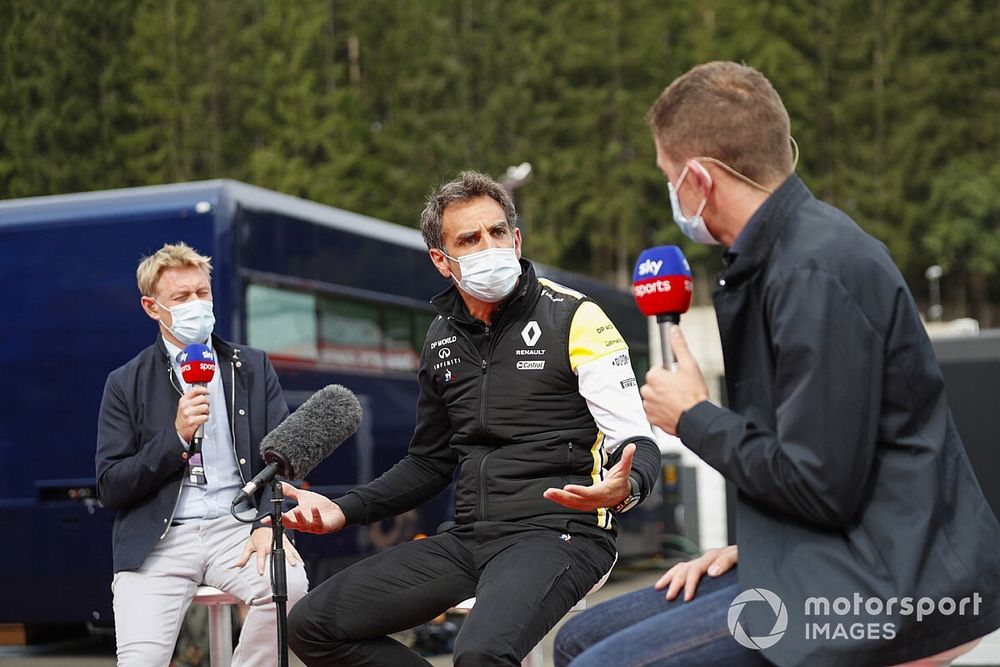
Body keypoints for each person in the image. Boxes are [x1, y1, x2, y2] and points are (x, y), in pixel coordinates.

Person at [555, 61, 1000, 667]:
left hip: (896, 587)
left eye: (667, 177)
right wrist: (763, 548)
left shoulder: (813, 273)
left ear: (698, 180)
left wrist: (692, 417)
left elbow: (819, 484)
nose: (672, 196)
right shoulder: (781, 260)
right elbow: (823, 461)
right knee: (579, 637)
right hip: (838, 553)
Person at [277, 170, 665, 666]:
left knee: (480, 654)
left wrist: (627, 487)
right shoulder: (441, 337)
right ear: (441, 260)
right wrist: (344, 509)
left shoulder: (575, 317)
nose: (490, 246)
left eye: (498, 232)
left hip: (562, 530)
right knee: (311, 626)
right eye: (469, 239)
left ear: (516, 239)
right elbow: (428, 464)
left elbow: (637, 440)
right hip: (470, 536)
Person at [96, 242, 309, 666]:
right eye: (181, 297)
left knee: (290, 588)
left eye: (202, 293)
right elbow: (110, 487)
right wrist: (175, 437)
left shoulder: (252, 367)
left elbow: (286, 457)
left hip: (238, 527)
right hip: (159, 539)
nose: (196, 304)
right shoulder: (125, 382)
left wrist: (268, 521)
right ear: (152, 307)